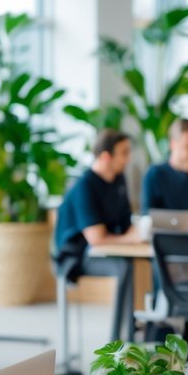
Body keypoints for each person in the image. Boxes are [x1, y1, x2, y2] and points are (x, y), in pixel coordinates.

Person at [54, 129, 143, 341]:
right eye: (124, 153)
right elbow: (96, 237)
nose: (128, 158)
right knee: (123, 267)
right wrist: (129, 239)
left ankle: (132, 333)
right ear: (105, 156)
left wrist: (137, 233)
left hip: (104, 251)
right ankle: (117, 341)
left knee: (135, 264)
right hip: (75, 257)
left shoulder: (118, 179)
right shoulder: (85, 186)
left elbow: (125, 222)